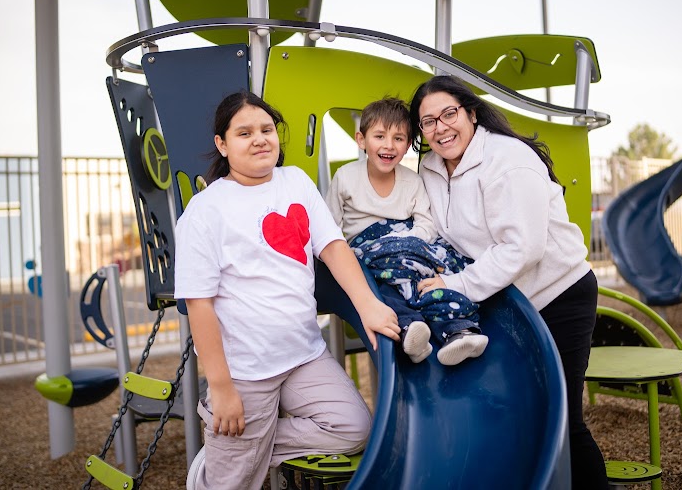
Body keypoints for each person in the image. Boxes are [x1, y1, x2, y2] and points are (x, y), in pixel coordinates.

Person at [174, 91, 401, 490]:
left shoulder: (294, 180)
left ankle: (237, 446)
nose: (260, 139)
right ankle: (223, 460)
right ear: (222, 144)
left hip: (302, 356)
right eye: (244, 133)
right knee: (231, 485)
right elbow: (199, 304)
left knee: (353, 428)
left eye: (267, 129)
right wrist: (222, 387)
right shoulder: (206, 210)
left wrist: (368, 306)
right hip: (246, 368)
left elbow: (332, 246)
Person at [409, 75, 609, 488]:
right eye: (428, 122)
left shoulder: (508, 160)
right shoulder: (430, 167)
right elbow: (435, 226)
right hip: (504, 298)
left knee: (562, 417)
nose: (440, 127)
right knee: (513, 412)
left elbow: (523, 248)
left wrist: (458, 284)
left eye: (449, 114)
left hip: (557, 293)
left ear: (472, 113)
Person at [325, 97, 488, 366]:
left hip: (408, 250)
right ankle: (412, 330)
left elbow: (426, 224)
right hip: (368, 257)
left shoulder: (412, 181)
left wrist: (405, 243)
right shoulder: (345, 177)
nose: (389, 145)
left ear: (408, 144)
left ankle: (460, 332)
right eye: (379, 136)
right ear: (361, 140)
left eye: (399, 138)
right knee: (384, 293)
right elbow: (331, 228)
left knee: (428, 283)